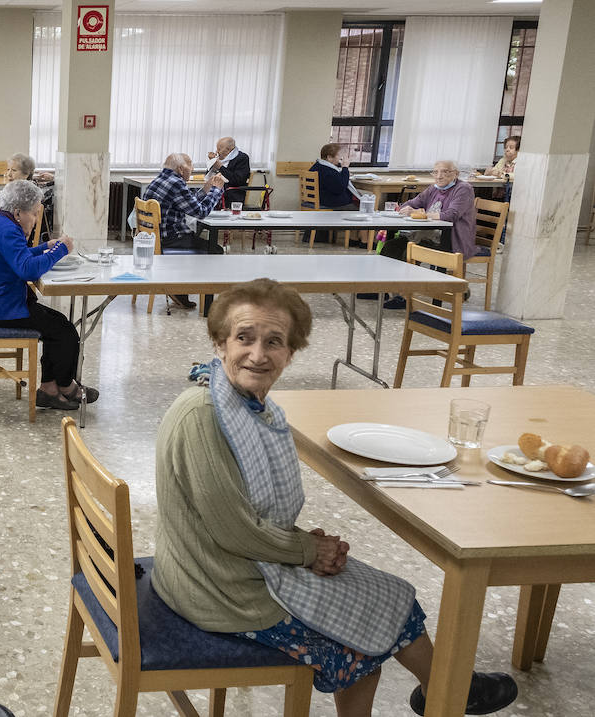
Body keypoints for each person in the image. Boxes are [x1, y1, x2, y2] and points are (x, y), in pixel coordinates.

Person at [154, 278, 518, 717]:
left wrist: (306, 546)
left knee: (394, 595)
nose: (258, 354)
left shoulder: (245, 403)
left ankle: (448, 687)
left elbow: (245, 510)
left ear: (291, 352)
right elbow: (234, 530)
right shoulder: (202, 417)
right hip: (215, 588)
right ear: (220, 342)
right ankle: (451, 688)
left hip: (225, 565)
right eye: (244, 338)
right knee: (361, 653)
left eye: (274, 342)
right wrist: (308, 549)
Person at [0, 179, 95, 411]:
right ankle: (65, 386)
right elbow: (28, 269)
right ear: (18, 212)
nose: (35, 220)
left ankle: (49, 389)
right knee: (64, 331)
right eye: (33, 214)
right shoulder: (7, 229)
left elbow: (17, 255)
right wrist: (61, 249)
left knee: (57, 325)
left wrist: (46, 247)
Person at [375, 160, 477, 309]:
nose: (439, 176)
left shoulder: (464, 189)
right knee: (391, 246)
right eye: (435, 172)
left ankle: (403, 296)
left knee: (408, 250)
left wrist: (422, 214)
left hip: (452, 237)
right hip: (428, 234)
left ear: (456, 174)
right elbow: (413, 202)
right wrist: (406, 208)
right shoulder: (433, 189)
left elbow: (451, 215)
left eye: (445, 172)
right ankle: (383, 288)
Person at [144, 153, 227, 309]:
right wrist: (216, 191)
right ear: (182, 169)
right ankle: (204, 302)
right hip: (171, 240)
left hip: (155, 239)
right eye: (191, 166)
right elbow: (201, 212)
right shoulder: (177, 183)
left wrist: (205, 190)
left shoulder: (161, 179)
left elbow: (186, 203)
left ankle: (179, 290)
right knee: (215, 250)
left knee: (198, 240)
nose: (193, 169)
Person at [206, 137, 250, 206]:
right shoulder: (220, 158)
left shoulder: (242, 158)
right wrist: (212, 161)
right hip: (215, 192)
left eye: (219, 149)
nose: (217, 151)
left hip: (232, 195)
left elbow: (237, 180)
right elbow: (207, 176)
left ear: (228, 150)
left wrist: (220, 167)